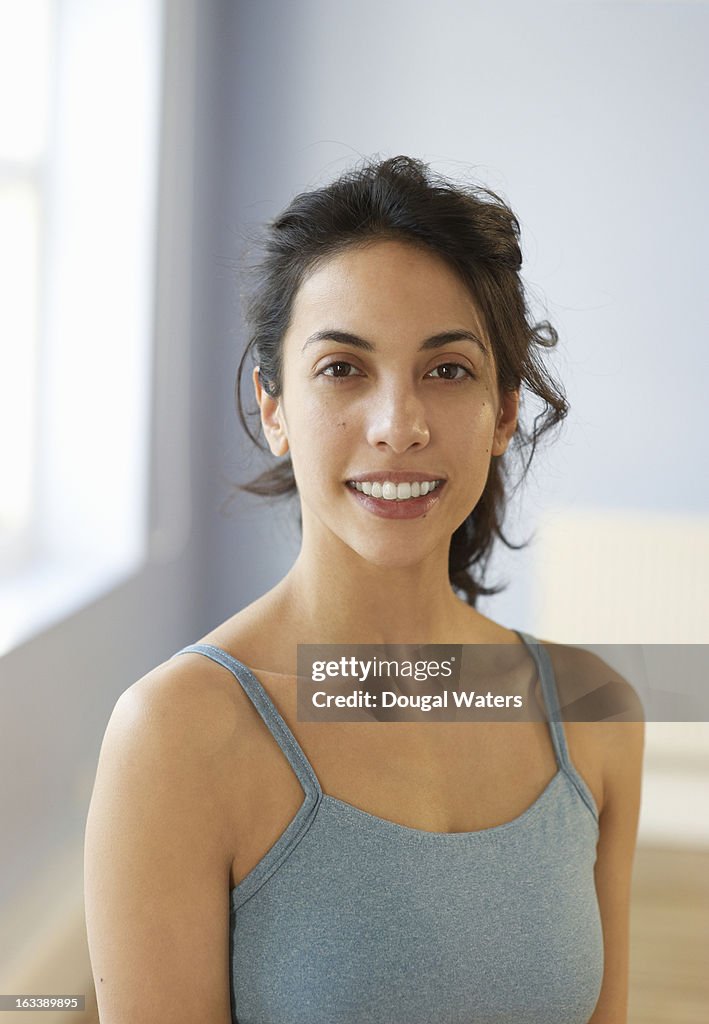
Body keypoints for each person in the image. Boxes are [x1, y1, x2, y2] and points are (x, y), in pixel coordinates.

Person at [84, 155, 645, 1024]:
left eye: (447, 370)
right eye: (343, 369)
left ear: (502, 411)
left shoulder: (595, 713)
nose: (399, 426)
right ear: (274, 406)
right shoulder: (177, 734)